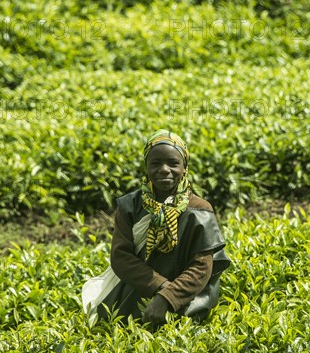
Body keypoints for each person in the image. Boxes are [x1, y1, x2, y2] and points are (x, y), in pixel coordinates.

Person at [82, 129, 230, 324]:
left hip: (188, 300)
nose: (164, 169)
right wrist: (160, 288)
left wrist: (169, 298)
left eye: (173, 163)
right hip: (138, 294)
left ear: (184, 167)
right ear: (146, 167)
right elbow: (121, 258)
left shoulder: (200, 210)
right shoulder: (130, 206)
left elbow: (202, 266)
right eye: (155, 163)